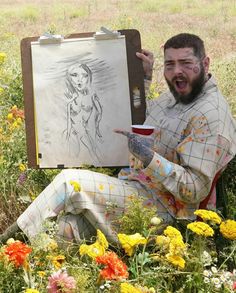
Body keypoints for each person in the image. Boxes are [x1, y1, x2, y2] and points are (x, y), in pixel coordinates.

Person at [1, 33, 236, 246]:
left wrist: (149, 159)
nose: (176, 72)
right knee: (66, 229)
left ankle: (3, 244)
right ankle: (13, 261)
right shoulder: (180, 94)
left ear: (205, 63)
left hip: (163, 212)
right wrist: (142, 79)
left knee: (69, 182)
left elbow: (194, 189)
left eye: (186, 63)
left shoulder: (210, 116)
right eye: (170, 64)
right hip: (134, 191)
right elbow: (139, 117)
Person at [63, 62, 103, 163]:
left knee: (94, 156)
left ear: (88, 78)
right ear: (69, 78)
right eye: (75, 75)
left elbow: (99, 111)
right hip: (73, 133)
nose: (79, 80)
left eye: (84, 75)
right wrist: (67, 136)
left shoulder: (92, 96)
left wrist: (97, 127)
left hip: (86, 132)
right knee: (71, 159)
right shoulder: (70, 101)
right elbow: (68, 121)